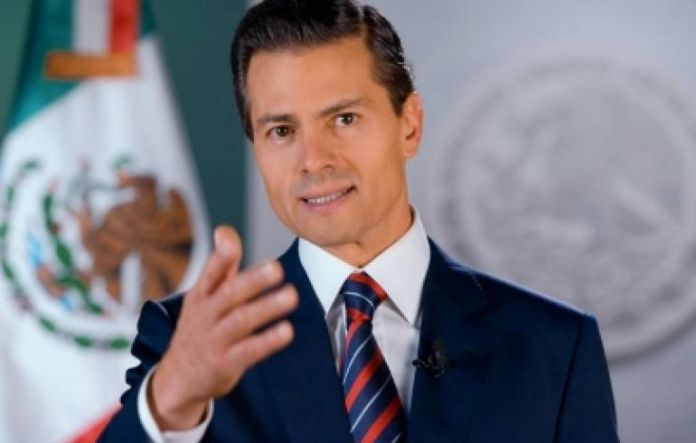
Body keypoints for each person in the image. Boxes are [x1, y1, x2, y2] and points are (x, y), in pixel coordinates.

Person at [100, 0, 619, 442]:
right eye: (282, 131)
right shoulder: (189, 344)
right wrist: (173, 397)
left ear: (409, 126)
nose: (314, 160)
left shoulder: (553, 347)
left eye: (343, 119)